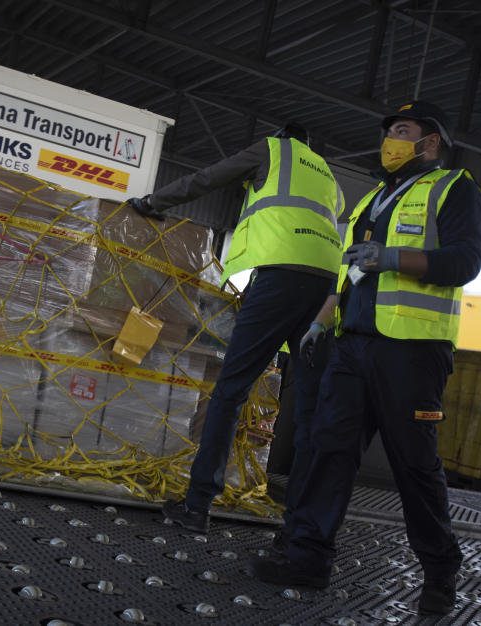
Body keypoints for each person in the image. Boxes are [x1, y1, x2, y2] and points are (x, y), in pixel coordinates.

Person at [248, 101, 481, 617]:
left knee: (414, 466)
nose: (389, 141)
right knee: (327, 450)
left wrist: (394, 258)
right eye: (387, 133)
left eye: (401, 131)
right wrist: (319, 322)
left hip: (413, 354)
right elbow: (351, 273)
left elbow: (465, 262)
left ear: (431, 142)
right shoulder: (375, 200)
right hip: (352, 347)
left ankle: (441, 571)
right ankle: (308, 556)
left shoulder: (455, 188)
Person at [127, 123, 343, 534]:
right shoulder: (328, 176)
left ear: (282, 136)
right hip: (324, 289)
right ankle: (304, 520)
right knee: (313, 406)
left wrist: (154, 202)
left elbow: (208, 179)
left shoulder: (272, 150)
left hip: (279, 279)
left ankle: (197, 504)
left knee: (230, 391)